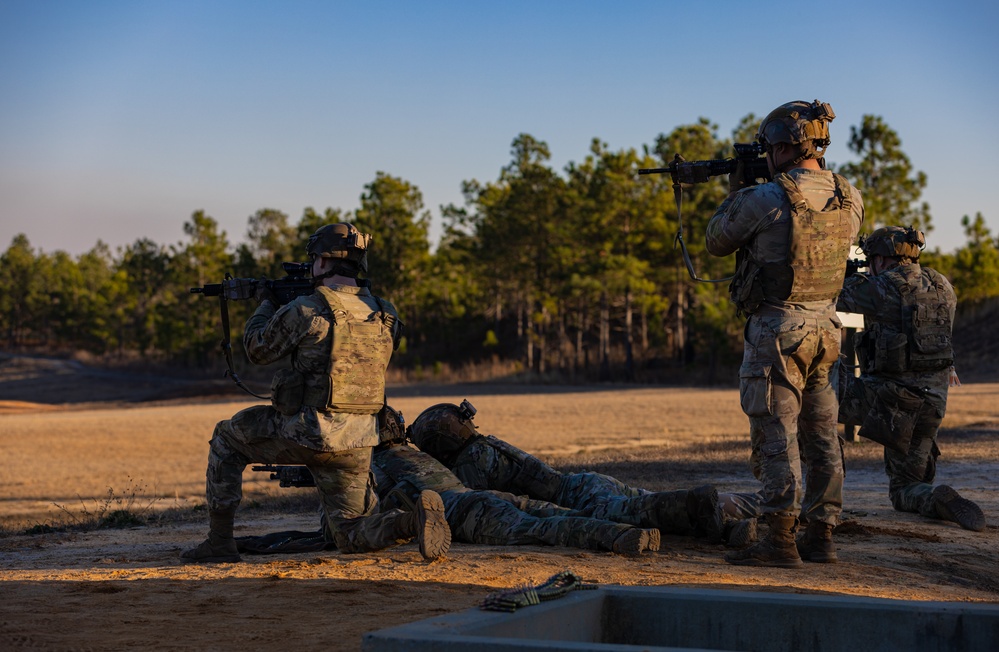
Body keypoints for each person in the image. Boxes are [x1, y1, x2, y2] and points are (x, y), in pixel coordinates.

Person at [182, 223, 450, 563]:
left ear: (324, 260)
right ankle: (412, 521)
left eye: (314, 259)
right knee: (351, 533)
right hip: (358, 439)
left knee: (225, 438)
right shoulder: (386, 313)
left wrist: (266, 304)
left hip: (306, 432)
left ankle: (219, 543)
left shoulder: (306, 309)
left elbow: (257, 349)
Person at [705, 100, 864, 567]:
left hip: (778, 330)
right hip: (826, 329)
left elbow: (716, 240)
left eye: (768, 146)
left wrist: (738, 189)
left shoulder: (766, 198)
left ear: (780, 145)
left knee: (776, 434)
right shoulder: (850, 196)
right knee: (821, 436)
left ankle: (778, 540)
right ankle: (822, 536)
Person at [406, 401, 762, 546]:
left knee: (639, 512)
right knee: (649, 510)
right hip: (585, 483)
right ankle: (756, 515)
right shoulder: (486, 444)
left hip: (579, 497)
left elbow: (478, 504)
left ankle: (691, 503)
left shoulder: (472, 461)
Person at [836, 226, 985, 532]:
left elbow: (833, 297)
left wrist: (841, 274)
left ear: (880, 258)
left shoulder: (883, 287)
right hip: (932, 404)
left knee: (814, 392)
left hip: (891, 403)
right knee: (906, 487)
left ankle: (809, 488)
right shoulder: (944, 285)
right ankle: (934, 498)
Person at [370, 408, 662, 555]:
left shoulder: (378, 465)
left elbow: (367, 513)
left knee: (541, 529)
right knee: (558, 514)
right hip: (483, 498)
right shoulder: (413, 456)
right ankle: (627, 529)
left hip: (467, 513)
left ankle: (616, 537)